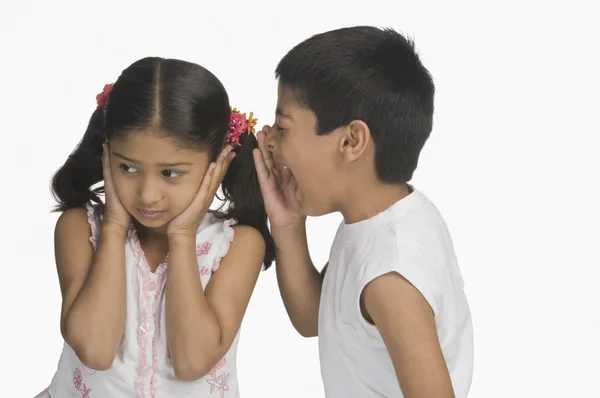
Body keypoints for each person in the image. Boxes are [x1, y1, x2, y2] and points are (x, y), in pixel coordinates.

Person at [253, 26, 473, 397]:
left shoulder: (391, 275)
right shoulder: (381, 218)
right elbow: (314, 317)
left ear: (351, 141)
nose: (269, 139)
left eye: (283, 126)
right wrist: (288, 225)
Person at [36, 56, 273, 398]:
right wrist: (115, 226)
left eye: (170, 173)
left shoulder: (239, 244)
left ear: (216, 164)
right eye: (128, 168)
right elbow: (95, 350)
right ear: (108, 154)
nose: (148, 194)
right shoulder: (80, 229)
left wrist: (182, 237)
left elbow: (192, 362)